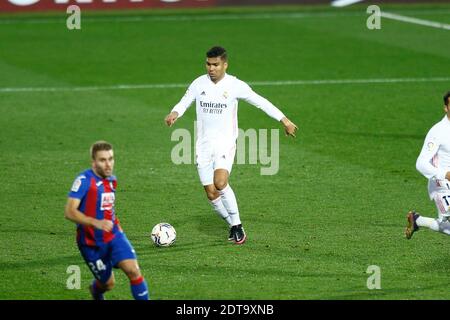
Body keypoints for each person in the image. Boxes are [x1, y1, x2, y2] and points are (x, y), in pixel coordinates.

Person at [164, 46, 298, 245]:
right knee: (211, 193)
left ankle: (237, 225)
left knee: (220, 182)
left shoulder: (235, 85)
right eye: (208, 64)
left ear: (225, 64)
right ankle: (232, 225)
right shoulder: (198, 83)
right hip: (203, 146)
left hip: (225, 144)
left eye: (216, 65)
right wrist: (175, 112)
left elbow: (260, 101)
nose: (211, 68)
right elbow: (185, 101)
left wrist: (284, 120)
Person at [64, 141, 149, 300]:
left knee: (133, 271)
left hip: (114, 236)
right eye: (103, 160)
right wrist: (95, 222)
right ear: (94, 162)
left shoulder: (112, 180)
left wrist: (120, 232)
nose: (108, 164)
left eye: (111, 159)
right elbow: (69, 212)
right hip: (91, 243)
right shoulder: (84, 181)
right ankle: (95, 291)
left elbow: (108, 210)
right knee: (108, 284)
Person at [405, 91, 450, 239]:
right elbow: (421, 163)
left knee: (445, 226)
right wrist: (445, 174)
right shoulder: (438, 132)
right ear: (446, 107)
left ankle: (418, 220)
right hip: (441, 184)